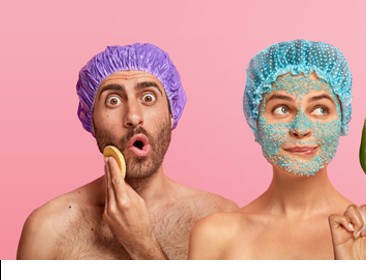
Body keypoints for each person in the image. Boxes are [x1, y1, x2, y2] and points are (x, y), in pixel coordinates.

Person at [188, 40, 366, 260]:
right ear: (256, 119)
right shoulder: (215, 236)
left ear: (342, 118)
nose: (300, 129)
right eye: (282, 109)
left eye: (320, 109)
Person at [17, 43, 238, 259]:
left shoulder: (221, 219)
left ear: (172, 113)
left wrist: (143, 246)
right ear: (90, 120)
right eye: (113, 101)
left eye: (148, 98)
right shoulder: (47, 229)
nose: (133, 116)